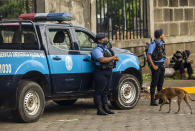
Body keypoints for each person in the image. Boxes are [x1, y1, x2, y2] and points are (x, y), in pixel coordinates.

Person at [91, 33, 119, 115]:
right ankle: (99, 109)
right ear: (99, 40)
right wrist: (112, 58)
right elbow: (102, 59)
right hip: (100, 72)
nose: (106, 39)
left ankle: (106, 107)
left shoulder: (106, 49)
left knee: (106, 91)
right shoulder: (96, 50)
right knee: (99, 91)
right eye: (104, 38)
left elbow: (109, 58)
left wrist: (115, 58)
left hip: (108, 71)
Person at [147, 29, 166, 106]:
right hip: (156, 65)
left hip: (161, 65)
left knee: (160, 83)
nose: (164, 35)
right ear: (160, 35)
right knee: (154, 83)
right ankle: (152, 100)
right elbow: (148, 55)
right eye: (163, 34)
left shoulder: (161, 43)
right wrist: (153, 65)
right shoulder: (153, 44)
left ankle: (161, 99)